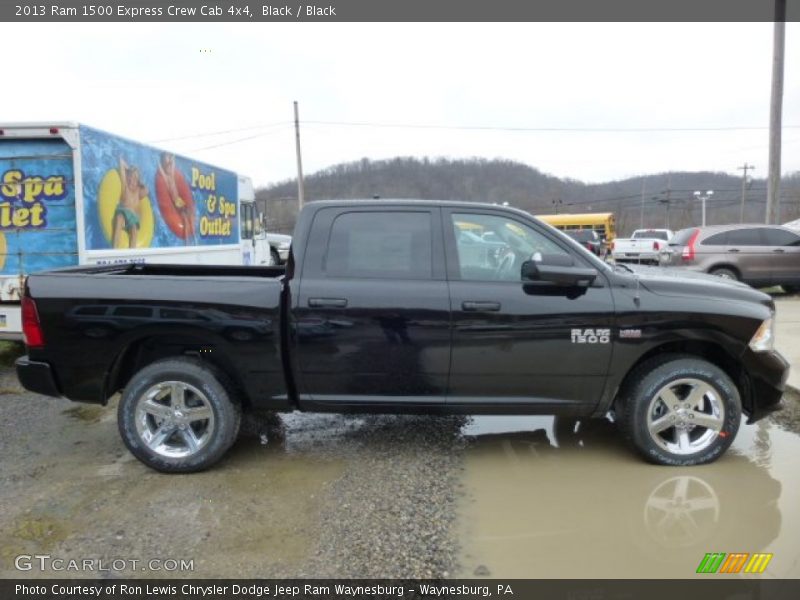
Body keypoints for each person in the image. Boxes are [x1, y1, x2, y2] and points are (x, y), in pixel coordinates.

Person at [158, 152, 195, 244]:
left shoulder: (173, 177)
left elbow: (172, 164)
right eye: (168, 168)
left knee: (190, 215)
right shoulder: (166, 179)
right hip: (176, 202)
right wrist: (159, 163)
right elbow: (161, 171)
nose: (170, 169)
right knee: (185, 219)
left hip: (180, 201)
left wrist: (172, 157)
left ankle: (194, 237)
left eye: (170, 168)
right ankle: (187, 242)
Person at [112, 157, 147, 249]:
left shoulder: (138, 191)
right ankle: (114, 249)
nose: (132, 180)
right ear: (127, 177)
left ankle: (132, 253)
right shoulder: (125, 185)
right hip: (123, 211)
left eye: (135, 178)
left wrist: (141, 183)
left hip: (133, 217)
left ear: (138, 180)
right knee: (119, 218)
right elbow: (120, 161)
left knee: (134, 230)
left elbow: (147, 191)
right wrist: (128, 169)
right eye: (130, 177)